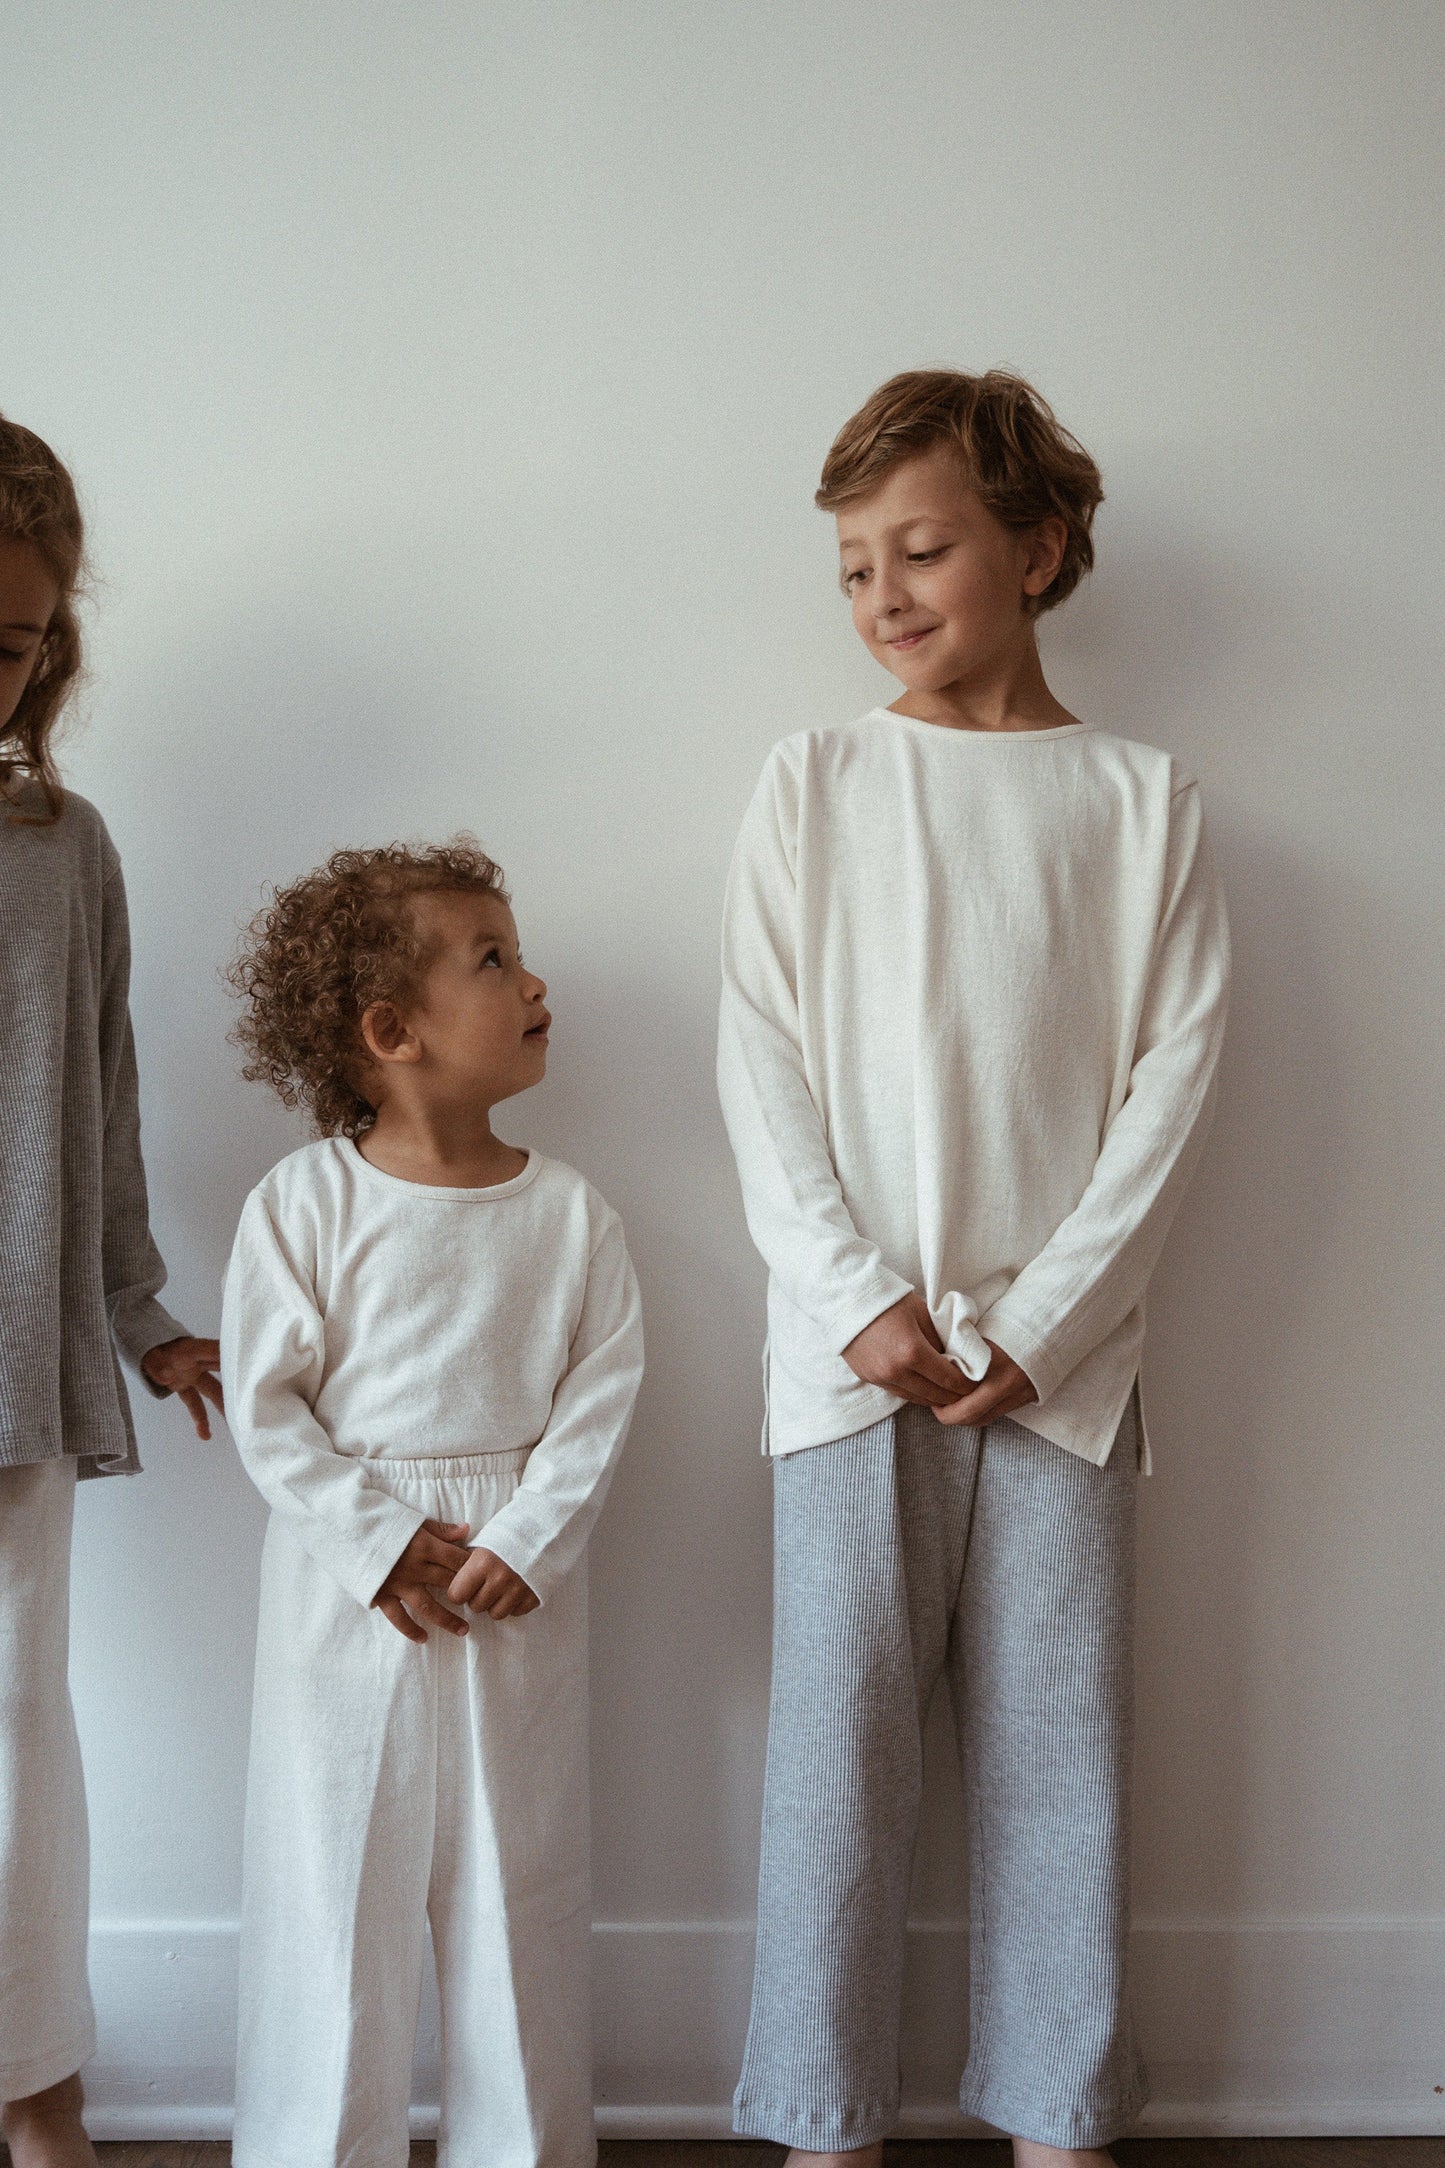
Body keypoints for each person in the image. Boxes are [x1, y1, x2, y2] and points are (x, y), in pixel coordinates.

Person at [718, 369, 1230, 2168]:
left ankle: (1062, 2119)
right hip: (842, 1364)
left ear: (1040, 547)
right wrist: (859, 1299)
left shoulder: (1143, 800)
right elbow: (759, 1061)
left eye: (918, 548)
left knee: (1056, 1771)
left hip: (1061, 1383)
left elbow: (1168, 1093)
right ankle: (819, 2122)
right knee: (835, 1775)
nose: (882, 596)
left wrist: (1039, 1324)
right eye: (851, 566)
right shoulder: (815, 781)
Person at [222, 839, 643, 2168]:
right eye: (493, 958)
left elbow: (602, 1393)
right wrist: (378, 1537)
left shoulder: (570, 1214)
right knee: (328, 1896)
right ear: (391, 1029)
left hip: (507, 1585)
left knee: (517, 1902)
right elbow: (267, 1405)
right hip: (350, 1594)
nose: (534, 981)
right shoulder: (303, 1203)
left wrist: (526, 1536)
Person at [0, 414, 221, 2168]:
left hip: (11, 1366)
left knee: (15, 1762)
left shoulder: (66, 849)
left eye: (9, 636)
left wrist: (143, 1313)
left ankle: (33, 2088)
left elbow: (106, 1091)